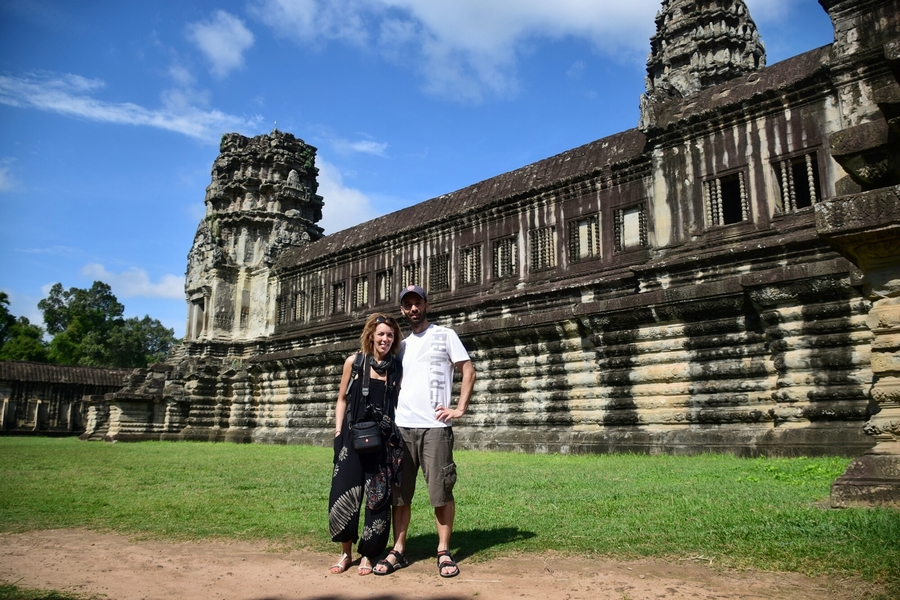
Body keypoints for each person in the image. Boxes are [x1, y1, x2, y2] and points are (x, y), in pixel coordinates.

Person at [373, 284, 476, 578]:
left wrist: (459, 408)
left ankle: (443, 550)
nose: (413, 309)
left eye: (417, 303)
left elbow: (468, 370)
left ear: (426, 305)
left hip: (435, 428)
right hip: (402, 427)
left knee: (441, 491)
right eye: (407, 305)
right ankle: (398, 550)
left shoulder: (445, 335)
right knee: (400, 494)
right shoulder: (401, 345)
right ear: (402, 310)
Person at [328, 313, 405, 576]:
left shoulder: (396, 367)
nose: (385, 339)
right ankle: (345, 552)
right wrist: (338, 431)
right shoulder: (355, 362)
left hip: (382, 442)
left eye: (390, 335)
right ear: (371, 334)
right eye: (381, 333)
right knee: (344, 491)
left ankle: (368, 555)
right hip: (352, 438)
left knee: (378, 497)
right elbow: (342, 399)